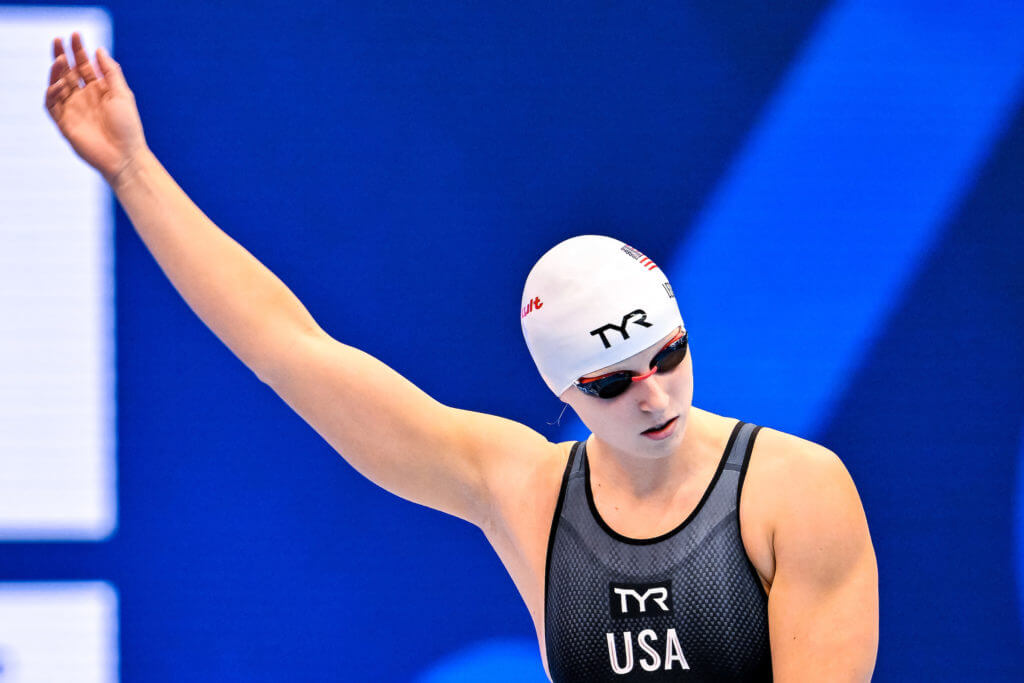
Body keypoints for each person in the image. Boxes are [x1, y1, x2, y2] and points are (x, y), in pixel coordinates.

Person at [45, 33, 878, 682]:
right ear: (561, 389)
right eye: (614, 382)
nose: (655, 395)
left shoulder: (793, 491)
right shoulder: (524, 491)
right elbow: (288, 350)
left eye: (668, 356)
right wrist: (132, 169)